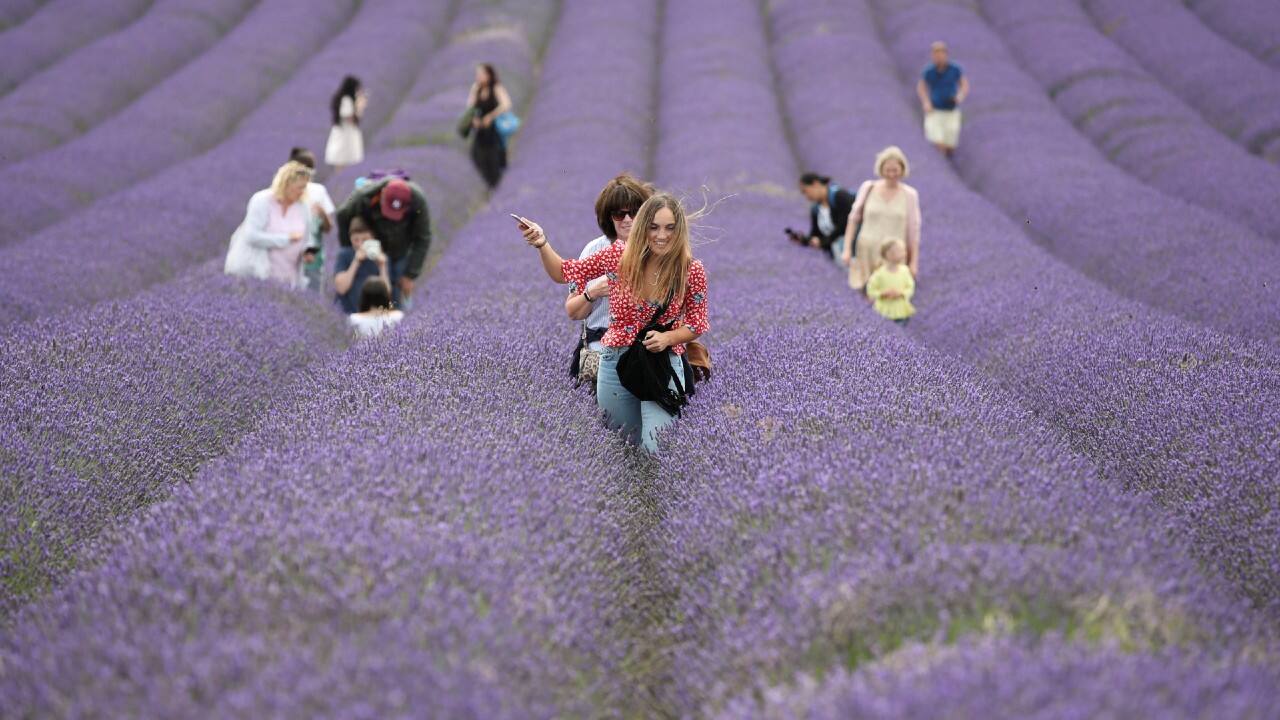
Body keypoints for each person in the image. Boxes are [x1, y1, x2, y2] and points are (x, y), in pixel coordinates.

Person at [517, 193, 710, 454]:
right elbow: (564, 272)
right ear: (643, 228)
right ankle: (639, 495)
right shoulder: (619, 257)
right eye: (653, 227)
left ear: (679, 231)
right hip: (616, 362)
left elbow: (698, 323)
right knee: (623, 448)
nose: (661, 235)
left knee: (656, 447)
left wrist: (668, 338)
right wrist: (542, 243)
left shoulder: (690, 270)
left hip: (662, 363)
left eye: (669, 228)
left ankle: (657, 488)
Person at [565, 174, 655, 387]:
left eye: (634, 212)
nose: (627, 219)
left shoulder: (656, 250)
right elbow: (573, 311)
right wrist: (592, 293)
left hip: (646, 345)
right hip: (601, 346)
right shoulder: (593, 250)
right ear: (608, 217)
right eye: (619, 214)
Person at [335, 177, 431, 308]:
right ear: (383, 193)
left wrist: (410, 274)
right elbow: (342, 214)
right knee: (362, 286)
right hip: (373, 245)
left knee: (396, 292)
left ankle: (398, 322)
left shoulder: (417, 200)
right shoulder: (363, 195)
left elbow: (423, 237)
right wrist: (349, 251)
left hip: (399, 249)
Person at [842, 146, 921, 292]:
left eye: (895, 170)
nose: (891, 174)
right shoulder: (868, 188)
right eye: (887, 170)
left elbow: (914, 231)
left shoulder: (909, 195)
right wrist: (846, 249)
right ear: (881, 169)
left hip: (894, 257)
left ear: (902, 170)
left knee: (891, 296)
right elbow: (853, 220)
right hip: (867, 252)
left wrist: (914, 262)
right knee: (866, 294)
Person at [223, 161, 312, 284]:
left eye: (304, 187)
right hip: (257, 272)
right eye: (299, 187)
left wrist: (307, 252)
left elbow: (307, 238)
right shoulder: (262, 201)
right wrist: (286, 239)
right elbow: (252, 236)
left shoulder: (303, 207)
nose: (302, 191)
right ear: (286, 184)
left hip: (288, 276)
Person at [289, 147, 336, 292]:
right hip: (294, 253)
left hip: (311, 253)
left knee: (311, 290)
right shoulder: (286, 191)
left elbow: (328, 227)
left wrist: (321, 213)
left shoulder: (318, 191)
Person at [917, 41, 968, 156]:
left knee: (950, 142)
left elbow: (964, 85)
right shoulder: (929, 71)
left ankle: (947, 161)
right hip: (935, 110)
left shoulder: (955, 69)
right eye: (935, 54)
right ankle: (941, 160)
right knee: (937, 140)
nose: (938, 57)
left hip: (951, 110)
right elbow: (921, 87)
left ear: (946, 55)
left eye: (940, 54)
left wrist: (960, 97)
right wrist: (926, 102)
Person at [465, 64, 512, 189]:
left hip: (494, 130)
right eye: (477, 75)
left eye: (481, 74)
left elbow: (506, 104)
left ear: (489, 75)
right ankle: (491, 186)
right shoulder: (476, 88)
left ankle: (499, 187)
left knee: (494, 160)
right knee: (477, 156)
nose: (478, 77)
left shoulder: (496, 88)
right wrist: (474, 119)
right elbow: (470, 107)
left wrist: (491, 116)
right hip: (481, 131)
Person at [794, 173, 857, 261]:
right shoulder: (815, 209)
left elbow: (845, 225)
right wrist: (805, 240)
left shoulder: (840, 196)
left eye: (805, 191)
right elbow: (816, 233)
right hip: (838, 257)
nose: (806, 196)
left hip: (855, 252)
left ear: (815, 184)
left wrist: (824, 241)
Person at [333, 216, 389, 314]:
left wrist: (382, 266)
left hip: (370, 317)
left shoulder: (378, 256)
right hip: (346, 314)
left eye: (365, 240)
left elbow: (386, 294)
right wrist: (356, 261)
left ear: (373, 238)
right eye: (355, 240)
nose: (360, 244)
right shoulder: (345, 254)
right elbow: (341, 288)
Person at [866, 239, 916, 326]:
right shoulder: (879, 273)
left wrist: (901, 293)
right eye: (900, 251)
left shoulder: (905, 271)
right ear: (889, 254)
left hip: (901, 311)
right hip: (883, 311)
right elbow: (870, 289)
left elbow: (911, 287)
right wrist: (882, 293)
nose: (904, 253)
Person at [326, 75, 366, 169]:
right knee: (342, 159)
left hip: (344, 133)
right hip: (345, 135)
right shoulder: (346, 100)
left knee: (344, 159)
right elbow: (349, 118)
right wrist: (359, 108)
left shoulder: (342, 99)